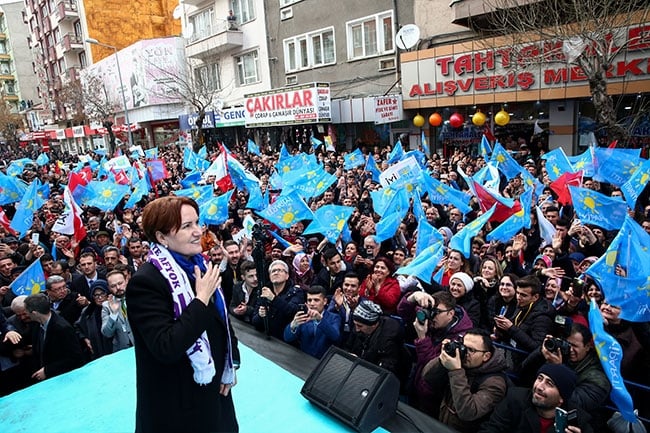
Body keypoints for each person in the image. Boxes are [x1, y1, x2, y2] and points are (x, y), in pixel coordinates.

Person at [125, 196, 239, 433]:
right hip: (178, 407)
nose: (198, 232)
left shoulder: (200, 265)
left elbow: (222, 322)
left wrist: (231, 364)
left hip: (215, 394)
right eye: (187, 226)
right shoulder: (146, 282)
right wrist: (200, 300)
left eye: (197, 223)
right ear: (161, 237)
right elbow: (166, 346)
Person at [397, 290, 473, 416]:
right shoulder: (434, 321)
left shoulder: (461, 339)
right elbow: (402, 311)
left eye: (436, 312)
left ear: (451, 314)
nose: (431, 315)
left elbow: (431, 369)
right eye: (430, 310)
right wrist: (413, 296)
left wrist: (422, 338)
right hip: (416, 384)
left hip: (434, 396)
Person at [422, 328, 509, 432]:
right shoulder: (461, 362)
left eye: (471, 350)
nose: (464, 352)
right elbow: (427, 378)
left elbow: (468, 412)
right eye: (463, 346)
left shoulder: (495, 383)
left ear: (486, 356)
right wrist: (442, 359)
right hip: (442, 424)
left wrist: (456, 371)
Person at [478, 363, 593, 433]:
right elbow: (491, 429)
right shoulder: (515, 399)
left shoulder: (578, 422)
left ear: (561, 398)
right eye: (539, 378)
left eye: (549, 383)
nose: (539, 386)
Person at [345, 299, 410, 387]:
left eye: (360, 326)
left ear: (373, 325)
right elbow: (348, 346)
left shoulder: (388, 342)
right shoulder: (359, 327)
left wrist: (360, 363)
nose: (356, 329)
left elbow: (384, 372)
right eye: (355, 324)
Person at [24, 293, 83, 382]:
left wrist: (47, 370)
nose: (26, 314)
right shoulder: (36, 324)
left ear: (34, 313)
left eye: (27, 311)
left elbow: (75, 357)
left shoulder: (62, 328)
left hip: (62, 379)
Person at [252, 260, 305, 340]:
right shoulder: (264, 291)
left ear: (287, 275)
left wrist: (273, 299)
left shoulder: (296, 292)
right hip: (265, 339)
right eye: (273, 271)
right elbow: (255, 322)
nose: (276, 273)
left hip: (285, 341)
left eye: (280, 270)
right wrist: (260, 315)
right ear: (269, 276)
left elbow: (292, 311)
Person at [283, 285, 341, 358]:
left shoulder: (334, 317)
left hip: (323, 362)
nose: (312, 303)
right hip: (303, 360)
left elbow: (335, 336)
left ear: (325, 301)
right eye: (309, 300)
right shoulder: (303, 316)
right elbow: (287, 338)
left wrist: (320, 320)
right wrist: (293, 325)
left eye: (316, 300)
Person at [75, 280, 113, 361]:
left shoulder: (114, 308)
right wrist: (85, 339)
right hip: (97, 352)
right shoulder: (88, 311)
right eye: (96, 295)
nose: (100, 298)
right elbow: (78, 328)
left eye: (102, 293)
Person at [101, 269, 134, 352]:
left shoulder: (138, 298)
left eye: (120, 283)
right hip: (121, 350)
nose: (118, 288)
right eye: (113, 286)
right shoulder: (106, 306)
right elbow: (107, 333)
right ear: (108, 287)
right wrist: (114, 314)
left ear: (126, 281)